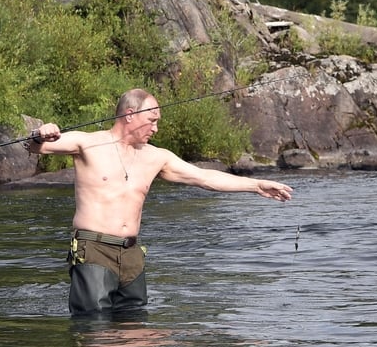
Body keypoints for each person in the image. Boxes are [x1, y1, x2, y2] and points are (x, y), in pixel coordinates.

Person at [28, 88, 293, 315]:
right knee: (94, 326)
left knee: (135, 325)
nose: (156, 128)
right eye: (152, 119)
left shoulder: (157, 157)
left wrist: (256, 185)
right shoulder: (87, 143)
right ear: (130, 114)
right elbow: (37, 146)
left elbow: (204, 177)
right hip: (94, 249)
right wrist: (41, 133)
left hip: (131, 255)